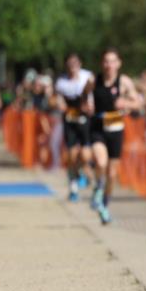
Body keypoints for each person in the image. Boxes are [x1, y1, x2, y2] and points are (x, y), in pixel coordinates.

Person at [83, 48, 143, 224]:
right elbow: (84, 95)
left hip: (116, 129)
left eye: (112, 61)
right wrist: (86, 105)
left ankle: (104, 205)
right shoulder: (95, 80)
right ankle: (98, 189)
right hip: (98, 127)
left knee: (112, 173)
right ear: (102, 64)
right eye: (106, 61)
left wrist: (126, 103)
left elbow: (138, 103)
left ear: (118, 63)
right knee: (101, 162)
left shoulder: (123, 82)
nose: (109, 65)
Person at [55, 54, 94, 201]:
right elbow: (57, 100)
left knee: (85, 155)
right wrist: (60, 105)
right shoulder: (61, 82)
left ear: (80, 64)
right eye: (70, 63)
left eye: (75, 63)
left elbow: (92, 94)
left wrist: (90, 106)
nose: (73, 66)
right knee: (71, 155)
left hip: (85, 120)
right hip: (69, 120)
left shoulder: (87, 76)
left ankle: (80, 174)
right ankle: (73, 185)